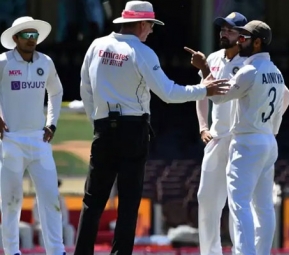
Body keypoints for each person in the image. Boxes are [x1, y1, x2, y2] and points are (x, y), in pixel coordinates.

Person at [74, 1, 229, 255]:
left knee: (92, 201)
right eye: (151, 26)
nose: (151, 32)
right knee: (128, 202)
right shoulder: (143, 53)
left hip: (103, 129)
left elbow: (85, 89)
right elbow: (168, 93)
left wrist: (98, 122)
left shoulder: (96, 45)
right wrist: (204, 89)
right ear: (142, 24)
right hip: (132, 130)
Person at [209, 20, 288, 255]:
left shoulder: (249, 70)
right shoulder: (276, 71)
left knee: (240, 204)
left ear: (257, 42)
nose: (239, 40)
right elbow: (279, 111)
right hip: (268, 140)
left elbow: (219, 98)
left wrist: (205, 70)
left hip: (247, 142)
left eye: (244, 37)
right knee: (264, 207)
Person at [0, 16, 66, 255]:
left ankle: (57, 251)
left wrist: (52, 124)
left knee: (50, 200)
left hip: (40, 141)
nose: (31, 40)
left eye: (34, 35)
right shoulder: (3, 62)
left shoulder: (45, 62)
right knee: (11, 202)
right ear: (15, 38)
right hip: (11, 141)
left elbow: (56, 92)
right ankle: (11, 251)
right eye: (26, 35)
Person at [185, 12, 248, 255]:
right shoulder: (212, 59)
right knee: (207, 199)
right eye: (222, 28)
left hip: (241, 140)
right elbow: (202, 94)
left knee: (238, 203)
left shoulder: (251, 62)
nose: (224, 32)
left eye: (230, 30)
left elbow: (283, 96)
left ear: (243, 35)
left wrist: (266, 128)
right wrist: (203, 127)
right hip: (216, 137)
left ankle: (241, 251)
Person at [33, 179, 76, 247]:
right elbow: (36, 217)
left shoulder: (61, 199)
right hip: (43, 224)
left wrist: (60, 224)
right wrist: (47, 224)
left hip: (59, 224)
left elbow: (65, 216)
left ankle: (69, 250)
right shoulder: (39, 198)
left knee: (69, 229)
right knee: (43, 230)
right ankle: (44, 250)